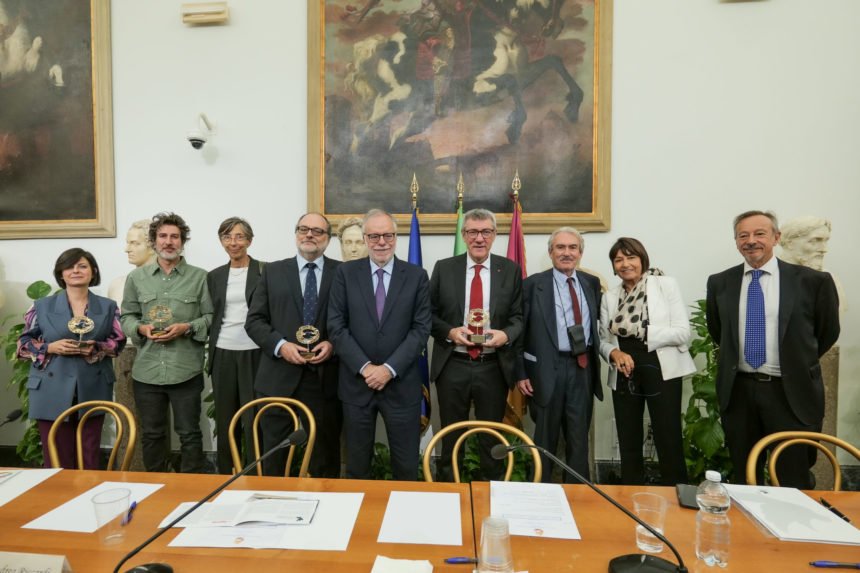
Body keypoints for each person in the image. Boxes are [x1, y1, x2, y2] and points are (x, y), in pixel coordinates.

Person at [706, 210, 840, 488]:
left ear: (776, 238)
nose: (751, 241)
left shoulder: (812, 281)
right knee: (745, 477)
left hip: (790, 394)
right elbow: (718, 331)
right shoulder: (720, 282)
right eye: (743, 235)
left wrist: (796, 360)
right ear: (736, 242)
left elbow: (827, 332)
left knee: (793, 478)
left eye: (760, 234)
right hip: (740, 393)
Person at [328, 209, 431, 480]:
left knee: (406, 468)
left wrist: (388, 369)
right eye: (374, 236)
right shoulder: (345, 274)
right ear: (365, 238)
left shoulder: (417, 276)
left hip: (401, 385)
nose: (381, 242)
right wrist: (365, 368)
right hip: (356, 386)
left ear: (396, 237)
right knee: (356, 469)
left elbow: (421, 329)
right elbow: (336, 327)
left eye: (388, 235)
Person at [245, 213, 342, 477]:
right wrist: (281, 346)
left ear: (328, 238)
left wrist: (333, 344)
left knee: (325, 457)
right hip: (278, 376)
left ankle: (325, 501)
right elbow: (254, 321)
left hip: (324, 379)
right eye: (303, 229)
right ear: (296, 233)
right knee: (274, 458)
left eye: (317, 231)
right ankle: (273, 501)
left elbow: (353, 321)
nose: (309, 234)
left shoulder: (343, 273)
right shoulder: (272, 272)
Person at [429, 208, 523, 481]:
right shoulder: (444, 268)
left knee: (490, 438)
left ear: (494, 235)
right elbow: (428, 315)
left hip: (493, 365)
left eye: (485, 232)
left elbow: (519, 317)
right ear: (464, 235)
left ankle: (490, 492)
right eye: (472, 232)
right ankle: (450, 490)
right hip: (453, 363)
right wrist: (449, 331)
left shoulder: (510, 270)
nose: (479, 238)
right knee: (451, 436)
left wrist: (506, 335)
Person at [598, 237, 696, 485]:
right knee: (628, 434)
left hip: (660, 366)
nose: (625, 264)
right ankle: (630, 489)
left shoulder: (665, 285)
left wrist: (644, 332)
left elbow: (683, 332)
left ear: (642, 259)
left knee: (667, 434)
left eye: (631, 257)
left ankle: (675, 489)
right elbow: (602, 340)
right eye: (618, 260)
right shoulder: (610, 296)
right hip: (624, 369)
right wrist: (614, 353)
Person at [120, 212, 213, 473]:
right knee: (152, 435)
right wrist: (140, 328)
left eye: (175, 236)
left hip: (186, 370)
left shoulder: (201, 277)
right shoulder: (136, 278)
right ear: (154, 241)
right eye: (163, 236)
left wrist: (187, 327)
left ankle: (191, 486)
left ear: (183, 242)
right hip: (147, 372)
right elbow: (126, 316)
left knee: (189, 433)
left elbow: (210, 317)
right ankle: (156, 485)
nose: (168, 241)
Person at [17, 248, 126, 469]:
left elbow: (118, 342)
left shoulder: (109, 307)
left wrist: (97, 348)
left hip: (94, 384)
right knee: (57, 458)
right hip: (50, 386)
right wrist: (50, 347)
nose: (76, 271)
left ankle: (90, 490)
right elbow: (23, 345)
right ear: (61, 273)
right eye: (69, 267)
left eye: (82, 266)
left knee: (90, 456)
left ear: (93, 272)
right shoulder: (40, 306)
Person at [516, 227, 601, 481]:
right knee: (544, 439)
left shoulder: (591, 283)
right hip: (545, 370)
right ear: (550, 252)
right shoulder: (532, 285)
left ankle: (578, 495)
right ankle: (539, 493)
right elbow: (519, 332)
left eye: (572, 247)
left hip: (582, 368)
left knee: (578, 438)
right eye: (560, 247)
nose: (567, 253)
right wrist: (520, 372)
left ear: (580, 253)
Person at [207, 217, 264, 474]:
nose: (234, 242)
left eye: (239, 236)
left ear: (249, 240)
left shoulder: (265, 271)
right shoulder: (214, 276)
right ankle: (226, 474)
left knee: (253, 420)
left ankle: (256, 474)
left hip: (255, 352)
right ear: (222, 241)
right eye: (227, 237)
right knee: (225, 419)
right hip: (223, 352)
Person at [107, 219, 158, 472]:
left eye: (134, 243)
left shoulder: (168, 282)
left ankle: (158, 475)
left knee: (156, 424)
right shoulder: (118, 284)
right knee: (127, 420)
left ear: (152, 245)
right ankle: (129, 474)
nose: (127, 248)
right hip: (125, 355)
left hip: (159, 353)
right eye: (128, 242)